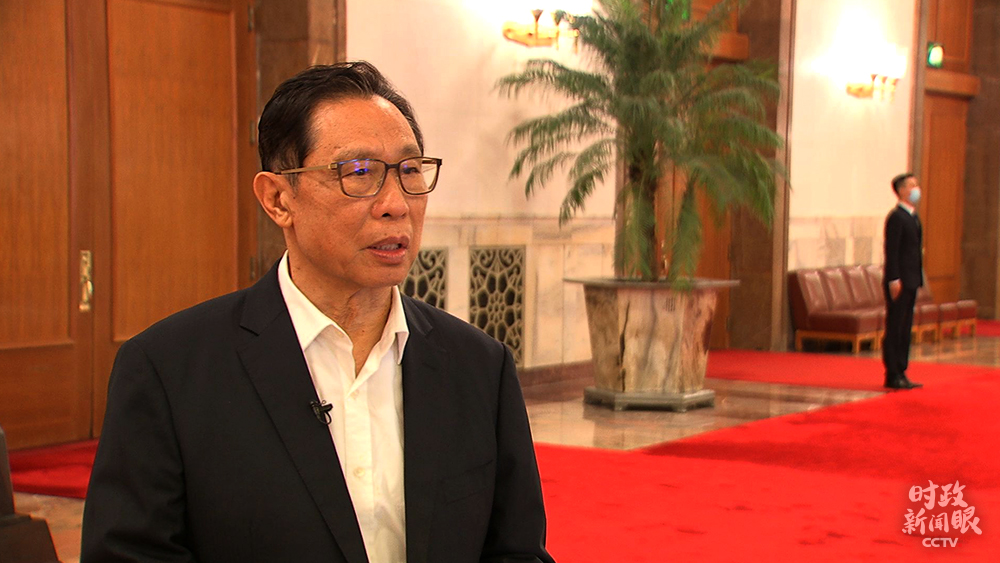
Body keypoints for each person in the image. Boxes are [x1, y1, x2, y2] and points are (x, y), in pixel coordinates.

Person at [81, 61, 556, 563]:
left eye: (410, 171)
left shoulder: (479, 366)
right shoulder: (169, 371)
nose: (396, 204)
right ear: (278, 199)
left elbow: (516, 550)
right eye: (359, 173)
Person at [882, 172, 924, 390]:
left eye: (916, 184)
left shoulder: (913, 217)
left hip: (912, 279)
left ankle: (902, 369)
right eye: (911, 185)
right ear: (901, 191)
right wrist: (893, 279)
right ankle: (892, 372)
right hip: (899, 281)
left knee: (906, 328)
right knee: (896, 327)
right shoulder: (896, 217)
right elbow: (892, 251)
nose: (916, 189)